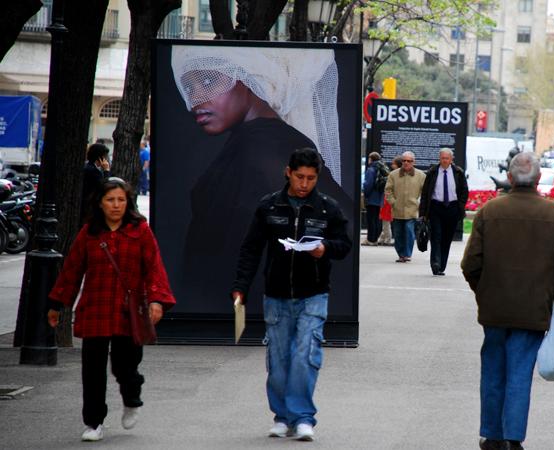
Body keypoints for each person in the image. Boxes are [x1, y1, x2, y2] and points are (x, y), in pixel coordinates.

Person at [171, 46, 352, 302]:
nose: (195, 100)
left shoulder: (261, 148)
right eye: (188, 88)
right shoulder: (264, 142)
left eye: (209, 81)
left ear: (248, 78)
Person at [231, 148, 352, 442]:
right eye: (299, 177)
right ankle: (282, 416)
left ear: (317, 177)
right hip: (276, 294)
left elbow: (344, 244)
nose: (304, 184)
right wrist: (241, 287)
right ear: (288, 172)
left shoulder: (327, 208)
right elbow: (251, 249)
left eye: (311, 178)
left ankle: (302, 418)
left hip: (314, 293)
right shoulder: (269, 206)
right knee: (278, 357)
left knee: (304, 355)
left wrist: (325, 249)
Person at [461, 152, 554, 450]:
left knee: (493, 371)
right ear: (539, 179)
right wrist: (553, 298)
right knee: (519, 373)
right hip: (533, 309)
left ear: (510, 178)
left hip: (495, 309)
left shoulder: (490, 212)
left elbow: (471, 263)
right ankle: (513, 438)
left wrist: (484, 292)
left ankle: (492, 435)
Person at [47, 177, 175, 442]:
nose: (116, 205)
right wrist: (57, 304)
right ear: (100, 204)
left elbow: (154, 267)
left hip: (129, 311)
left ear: (127, 202)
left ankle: (131, 398)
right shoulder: (89, 233)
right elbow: (72, 270)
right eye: (110, 200)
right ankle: (94, 422)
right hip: (96, 306)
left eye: (121, 199)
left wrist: (156, 300)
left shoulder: (140, 231)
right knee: (92, 368)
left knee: (125, 366)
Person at [419, 148, 468, 276]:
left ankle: (442, 266)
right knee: (436, 236)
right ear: (439, 158)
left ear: (451, 159)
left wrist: (460, 207)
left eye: (447, 158)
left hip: (452, 208)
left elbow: (464, 191)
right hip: (436, 208)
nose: (444, 160)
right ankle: (435, 264)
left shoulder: (458, 172)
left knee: (446, 238)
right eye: (442, 158)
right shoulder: (433, 172)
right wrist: (423, 213)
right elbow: (425, 193)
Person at [384, 151, 426, 263]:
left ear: (414, 162)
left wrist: (419, 203)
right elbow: (388, 190)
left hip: (412, 210)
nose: (406, 163)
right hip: (397, 210)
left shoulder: (421, 175)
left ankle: (407, 254)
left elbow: (425, 192)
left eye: (409, 161)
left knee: (409, 232)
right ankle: (400, 254)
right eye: (404, 160)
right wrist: (393, 202)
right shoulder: (393, 174)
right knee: (398, 234)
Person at [362, 152, 388, 245]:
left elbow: (368, 184)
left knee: (371, 220)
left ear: (371, 159)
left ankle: (371, 240)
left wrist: (366, 194)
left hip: (372, 198)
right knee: (377, 219)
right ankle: (375, 238)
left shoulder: (371, 169)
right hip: (379, 198)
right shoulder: (382, 168)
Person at [81, 142, 111, 221]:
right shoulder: (93, 171)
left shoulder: (89, 167)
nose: (107, 159)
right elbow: (105, 187)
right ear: (100, 157)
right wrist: (106, 171)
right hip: (88, 206)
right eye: (105, 156)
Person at [377, 157, 401, 245]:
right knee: (386, 220)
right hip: (390, 200)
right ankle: (383, 237)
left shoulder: (394, 175)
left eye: (393, 164)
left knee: (386, 220)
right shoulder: (394, 174)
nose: (392, 165)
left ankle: (387, 238)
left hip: (390, 200)